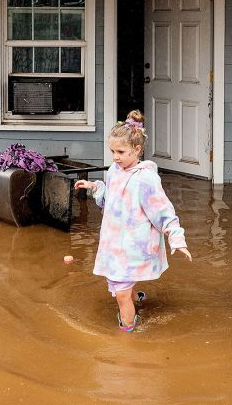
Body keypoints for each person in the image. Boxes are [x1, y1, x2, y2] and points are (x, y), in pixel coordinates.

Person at [75, 110, 191, 332]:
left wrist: (177, 238)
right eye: (113, 152)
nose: (116, 157)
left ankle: (128, 332)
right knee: (120, 283)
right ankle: (135, 297)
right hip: (114, 243)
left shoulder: (146, 179)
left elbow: (163, 211)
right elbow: (111, 200)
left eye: (121, 151)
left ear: (137, 150)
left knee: (120, 294)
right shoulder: (114, 171)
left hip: (133, 245)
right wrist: (95, 187)